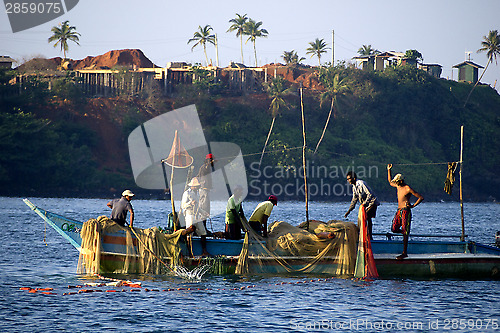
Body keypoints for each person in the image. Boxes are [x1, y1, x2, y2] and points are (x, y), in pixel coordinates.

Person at [387, 164, 424, 260]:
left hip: (406, 211)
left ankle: (404, 252)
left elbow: (420, 197)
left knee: (405, 231)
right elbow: (390, 182)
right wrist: (389, 170)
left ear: (401, 181)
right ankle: (405, 233)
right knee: (394, 229)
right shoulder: (397, 186)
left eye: (397, 182)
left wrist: (413, 206)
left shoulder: (407, 188)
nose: (396, 183)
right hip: (399, 210)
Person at [344, 171, 380, 240]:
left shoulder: (361, 184)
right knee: (364, 218)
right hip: (365, 205)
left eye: (349, 179)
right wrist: (349, 210)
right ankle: (366, 235)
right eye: (347, 179)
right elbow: (354, 199)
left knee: (366, 216)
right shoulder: (354, 187)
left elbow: (370, 194)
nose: (348, 180)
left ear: (354, 178)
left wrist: (364, 204)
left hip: (372, 202)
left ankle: (369, 236)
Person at [181, 177, 210, 257]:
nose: (197, 187)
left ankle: (204, 251)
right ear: (192, 186)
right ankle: (190, 253)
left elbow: (198, 207)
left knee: (203, 232)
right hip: (190, 215)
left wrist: (204, 213)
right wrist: (190, 203)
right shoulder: (187, 193)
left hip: (197, 215)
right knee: (190, 233)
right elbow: (183, 206)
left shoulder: (197, 193)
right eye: (196, 186)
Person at [197, 153, 215, 233]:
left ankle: (204, 227)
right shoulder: (204, 168)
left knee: (206, 209)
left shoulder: (207, 167)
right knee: (204, 209)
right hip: (203, 190)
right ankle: (202, 228)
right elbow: (207, 168)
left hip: (205, 191)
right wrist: (210, 163)